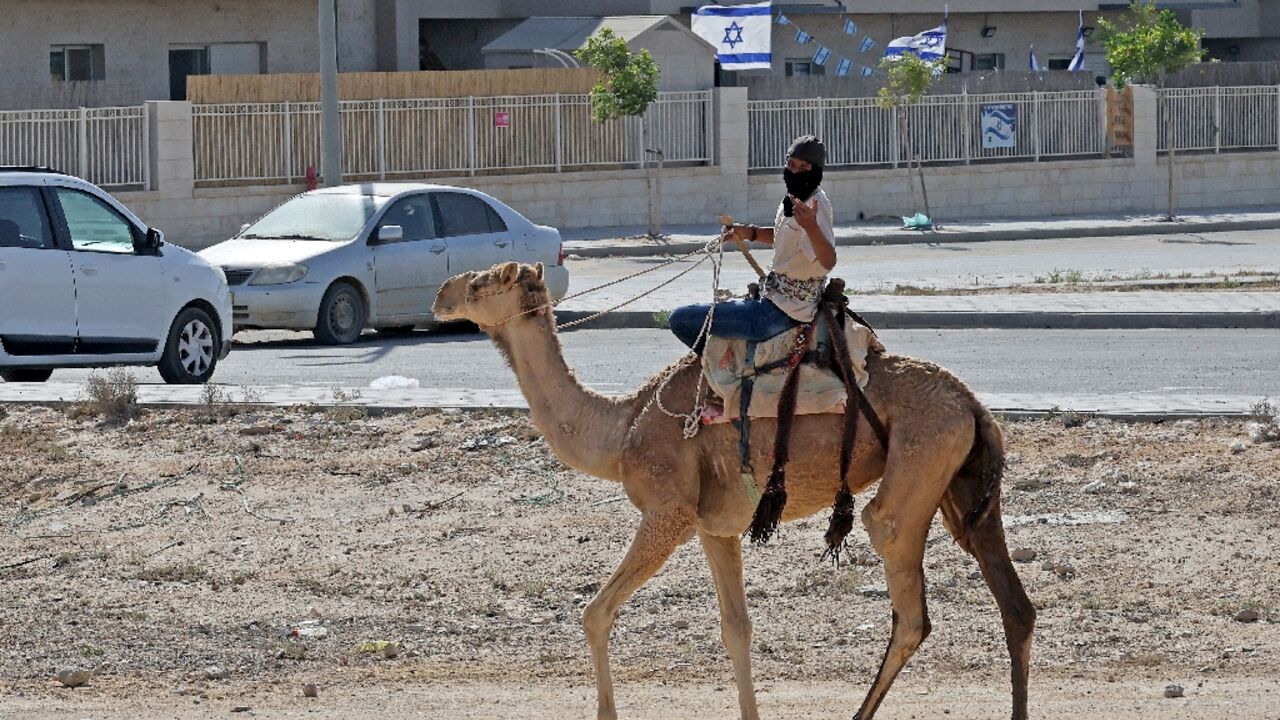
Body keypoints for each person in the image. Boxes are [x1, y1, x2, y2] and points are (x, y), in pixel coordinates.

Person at [670, 134, 836, 352]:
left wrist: (812, 227)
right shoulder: (793, 198)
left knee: (680, 319)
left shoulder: (816, 205)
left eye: (803, 167)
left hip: (781, 313)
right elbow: (789, 240)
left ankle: (720, 376)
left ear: (816, 171)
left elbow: (828, 260)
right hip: (775, 299)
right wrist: (750, 233)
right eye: (790, 165)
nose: (794, 172)